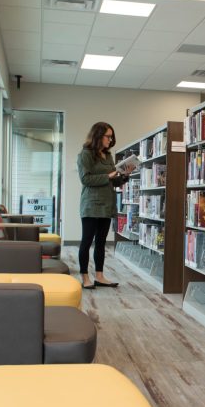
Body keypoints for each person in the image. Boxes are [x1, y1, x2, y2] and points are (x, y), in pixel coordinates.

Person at [76, 121, 129, 289]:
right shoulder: (85, 154)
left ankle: (99, 275)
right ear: (98, 136)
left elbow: (113, 181)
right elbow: (86, 180)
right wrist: (109, 175)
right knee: (86, 241)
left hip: (107, 205)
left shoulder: (108, 156)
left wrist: (124, 175)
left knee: (101, 242)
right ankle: (85, 277)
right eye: (108, 136)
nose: (110, 139)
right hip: (91, 205)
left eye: (111, 137)